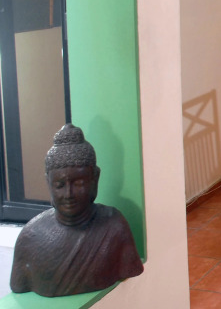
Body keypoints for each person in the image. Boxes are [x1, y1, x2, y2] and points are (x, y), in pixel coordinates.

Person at [10, 124, 143, 297]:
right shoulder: (30, 237)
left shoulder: (114, 227)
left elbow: (131, 268)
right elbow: (18, 285)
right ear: (48, 183)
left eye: (79, 183)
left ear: (94, 179)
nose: (69, 194)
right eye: (60, 185)